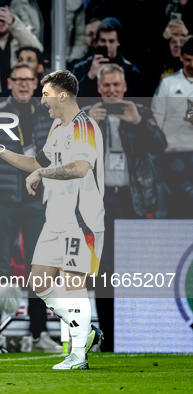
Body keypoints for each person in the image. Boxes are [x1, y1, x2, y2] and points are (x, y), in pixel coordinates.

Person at [0, 70, 104, 370]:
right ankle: (84, 330)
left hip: (80, 219)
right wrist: (0, 151)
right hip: (54, 218)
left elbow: (81, 167)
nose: (42, 99)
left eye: (45, 93)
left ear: (62, 94)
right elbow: (36, 162)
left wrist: (42, 173)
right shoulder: (57, 128)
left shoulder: (84, 126)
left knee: (73, 287)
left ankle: (78, 354)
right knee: (39, 282)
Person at [0, 63, 59, 352]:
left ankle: (38, 333)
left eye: (28, 80)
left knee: (38, 266)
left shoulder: (49, 115)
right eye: (17, 80)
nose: (22, 85)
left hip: (37, 200)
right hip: (2, 201)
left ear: (36, 84)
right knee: (0, 266)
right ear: (9, 81)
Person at [83, 63, 167, 351]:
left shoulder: (139, 112)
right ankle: (109, 336)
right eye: (106, 86)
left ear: (124, 86)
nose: (112, 91)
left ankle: (135, 335)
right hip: (101, 201)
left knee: (134, 270)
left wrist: (138, 123)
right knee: (104, 271)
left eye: (116, 85)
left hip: (134, 201)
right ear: (99, 87)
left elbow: (159, 145)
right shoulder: (88, 115)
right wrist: (86, 125)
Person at [71, 17, 142, 98]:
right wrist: (90, 76)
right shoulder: (80, 68)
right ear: (96, 42)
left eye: (111, 41)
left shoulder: (131, 71)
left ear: (118, 43)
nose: (107, 46)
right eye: (103, 41)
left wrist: (120, 80)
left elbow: (136, 104)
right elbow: (73, 102)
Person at [152, 38, 193, 152]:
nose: (192, 65)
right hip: (172, 149)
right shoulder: (167, 83)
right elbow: (157, 118)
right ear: (181, 57)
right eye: (188, 60)